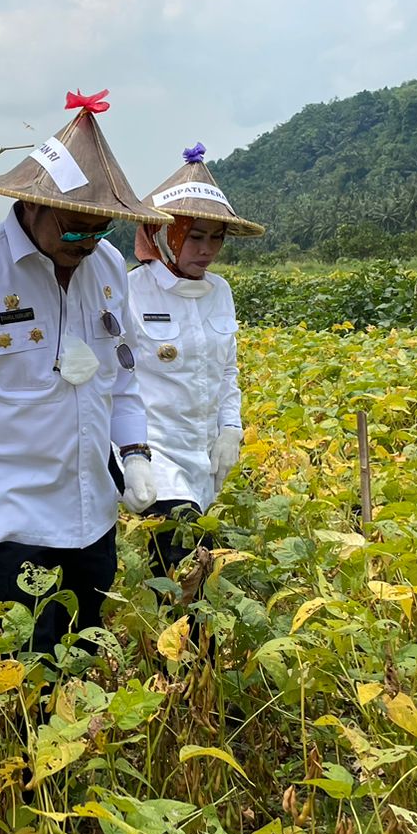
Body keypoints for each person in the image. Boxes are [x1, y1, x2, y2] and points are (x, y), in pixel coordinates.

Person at [0, 89, 171, 656]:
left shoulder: (106, 267)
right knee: (22, 685)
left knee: (81, 672)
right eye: (74, 227)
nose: (86, 241)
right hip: (7, 523)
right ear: (32, 205)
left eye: (99, 228)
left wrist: (135, 453)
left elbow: (121, 376)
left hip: (92, 517)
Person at [125, 142, 265, 579]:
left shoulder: (219, 292)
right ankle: (183, 646)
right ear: (166, 236)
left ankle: (172, 642)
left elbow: (226, 371)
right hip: (156, 450)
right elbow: (115, 380)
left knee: (183, 570)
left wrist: (231, 428)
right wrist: (131, 454)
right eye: (195, 236)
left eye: (215, 238)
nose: (206, 250)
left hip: (203, 450)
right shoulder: (129, 290)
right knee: (185, 559)